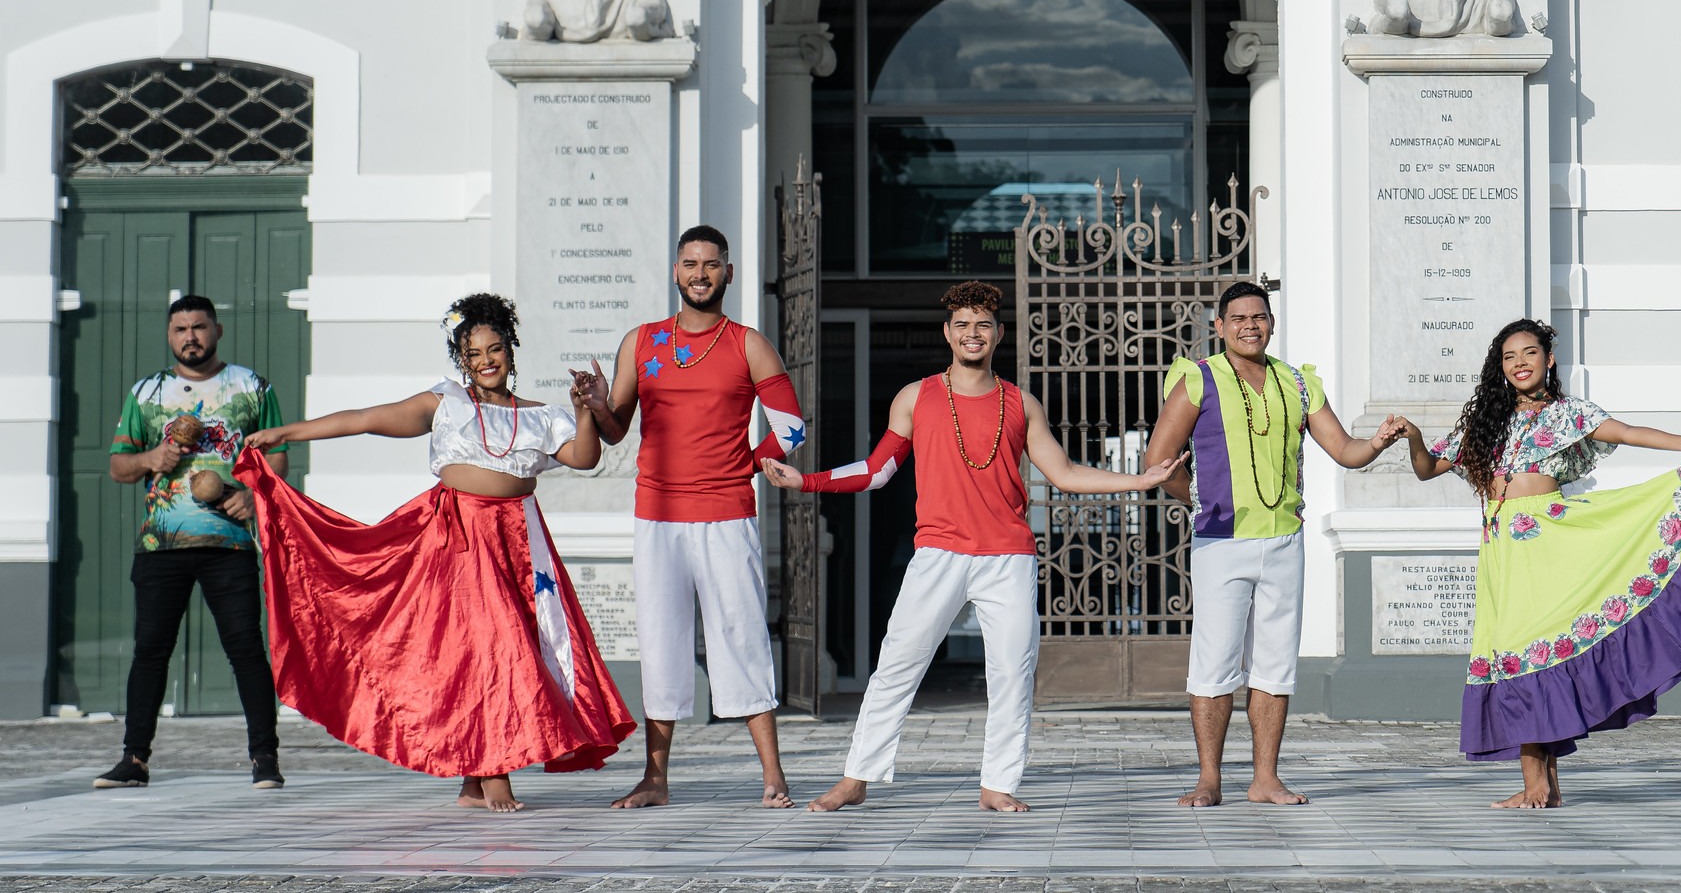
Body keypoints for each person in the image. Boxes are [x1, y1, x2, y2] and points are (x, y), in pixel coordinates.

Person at [762, 279, 1185, 813]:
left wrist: (1141, 481)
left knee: (1011, 671)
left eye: (983, 325)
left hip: (1007, 556)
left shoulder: (1020, 403)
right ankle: (857, 777)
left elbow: (1066, 474)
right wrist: (807, 482)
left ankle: (998, 785)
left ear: (999, 333)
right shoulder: (915, 397)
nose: (972, 333)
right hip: (938, 553)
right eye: (962, 324)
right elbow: (877, 470)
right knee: (897, 663)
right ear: (947, 332)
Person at [1390, 317, 1681, 808]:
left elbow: (1627, 430)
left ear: (1548, 359)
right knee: (1519, 653)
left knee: (1538, 648)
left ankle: (1539, 784)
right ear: (1500, 366)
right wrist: (1411, 436)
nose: (1520, 364)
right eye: (1510, 357)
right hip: (1503, 549)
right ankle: (1542, 785)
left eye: (1529, 353)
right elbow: (1429, 468)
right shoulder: (1485, 422)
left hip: (1552, 538)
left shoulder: (1567, 413)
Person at [239, 293, 636, 813]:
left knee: (496, 649)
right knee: (492, 646)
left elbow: (585, 458)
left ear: (511, 352)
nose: (487, 360)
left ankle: (474, 781)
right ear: (461, 359)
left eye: (496, 349)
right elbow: (366, 417)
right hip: (454, 537)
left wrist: (585, 411)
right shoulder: (446, 404)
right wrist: (287, 432)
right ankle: (495, 774)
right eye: (474, 354)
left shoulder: (539, 416)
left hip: (518, 541)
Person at [1141, 280, 1410, 807]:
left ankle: (1266, 778)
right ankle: (1210, 779)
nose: (1249, 325)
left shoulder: (1298, 383)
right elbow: (1159, 460)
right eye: (1237, 318)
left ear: (1271, 323)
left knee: (1275, 664)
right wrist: (1198, 497)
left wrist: (1379, 440)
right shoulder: (1197, 379)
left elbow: (1346, 451)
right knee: (1215, 662)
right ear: (1218, 327)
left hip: (1284, 541)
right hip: (1221, 541)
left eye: (1259, 317)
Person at [570, 225, 808, 810]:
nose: (699, 273)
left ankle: (773, 775)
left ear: (727, 272)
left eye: (710, 264)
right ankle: (655, 778)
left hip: (726, 514)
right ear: (675, 272)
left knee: (741, 634)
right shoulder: (642, 342)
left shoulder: (748, 344)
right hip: (657, 513)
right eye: (689, 263)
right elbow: (617, 428)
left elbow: (793, 428)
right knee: (660, 641)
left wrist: (747, 464)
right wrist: (599, 404)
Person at [96, 295, 289, 791]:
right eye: (180, 328)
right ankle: (134, 759)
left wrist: (251, 494)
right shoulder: (146, 393)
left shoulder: (252, 387)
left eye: (199, 327)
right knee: (150, 652)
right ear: (169, 335)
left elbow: (278, 460)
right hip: (161, 544)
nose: (191, 337)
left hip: (229, 544)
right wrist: (150, 459)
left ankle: (265, 759)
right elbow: (119, 466)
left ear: (217, 331)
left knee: (246, 649)